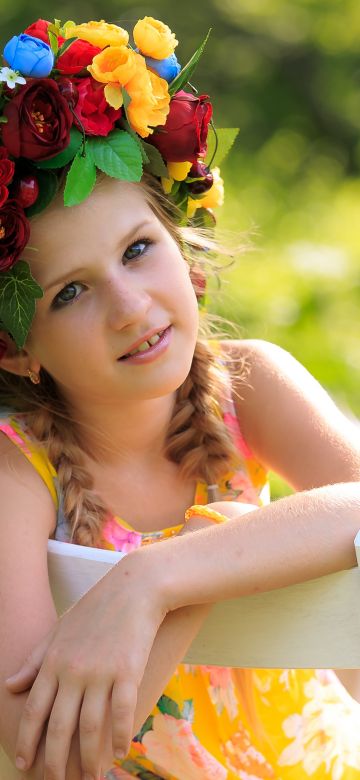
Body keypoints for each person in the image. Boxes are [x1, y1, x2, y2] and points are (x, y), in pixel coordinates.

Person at [1, 13, 360, 780]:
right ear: (16, 348)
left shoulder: (250, 385)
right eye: (69, 294)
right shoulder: (17, 475)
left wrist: (159, 576)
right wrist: (202, 582)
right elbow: (49, 752)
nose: (130, 307)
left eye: (138, 250)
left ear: (183, 250)